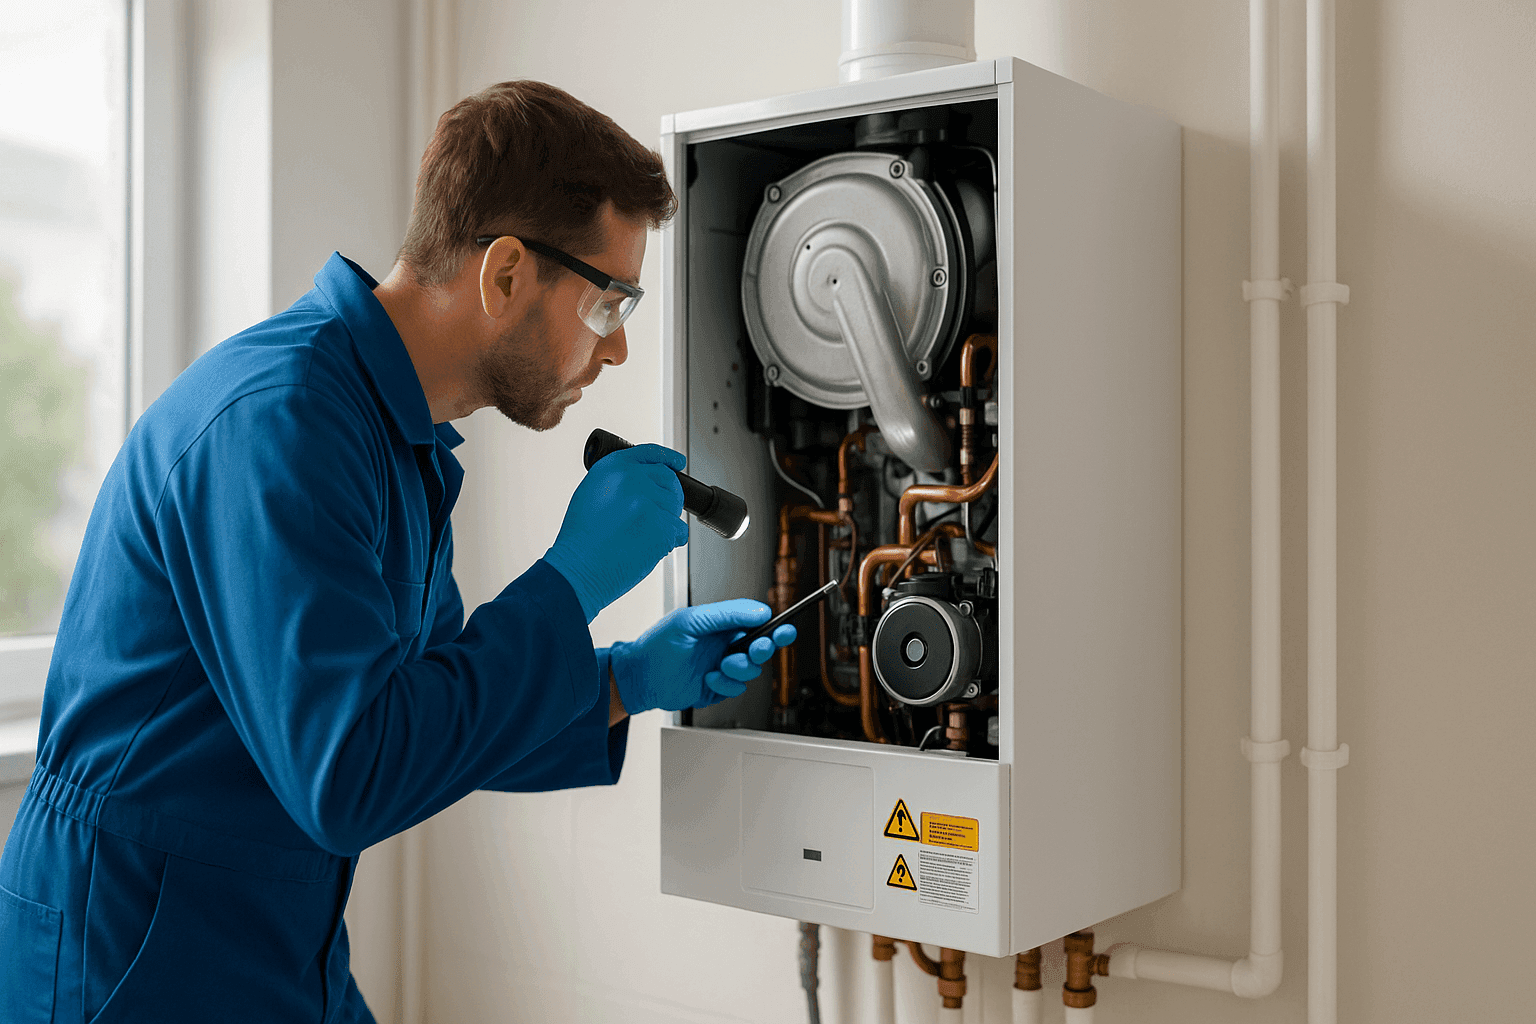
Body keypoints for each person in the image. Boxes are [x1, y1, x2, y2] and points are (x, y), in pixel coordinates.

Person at [0, 80, 791, 1023]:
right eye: (609, 305)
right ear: (505, 275)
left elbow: (429, 715)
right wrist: (571, 579)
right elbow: (353, 772)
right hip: (134, 951)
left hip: (274, 931)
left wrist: (626, 679)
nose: (615, 353)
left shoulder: (391, 435)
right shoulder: (282, 424)